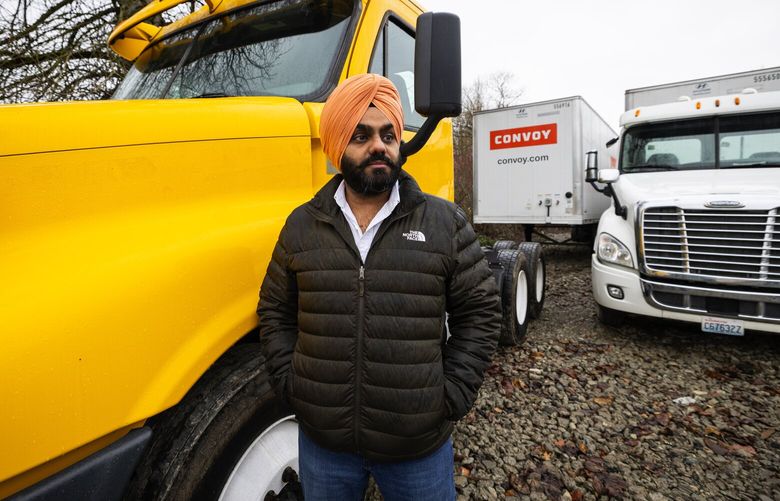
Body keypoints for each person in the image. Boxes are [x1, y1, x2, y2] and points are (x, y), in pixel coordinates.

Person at [257, 73, 501, 501]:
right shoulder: (301, 226)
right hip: (324, 446)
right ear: (337, 145)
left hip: (417, 448)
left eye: (389, 134)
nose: (379, 146)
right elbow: (275, 310)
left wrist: (450, 395)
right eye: (361, 134)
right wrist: (292, 384)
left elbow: (479, 313)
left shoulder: (444, 223)